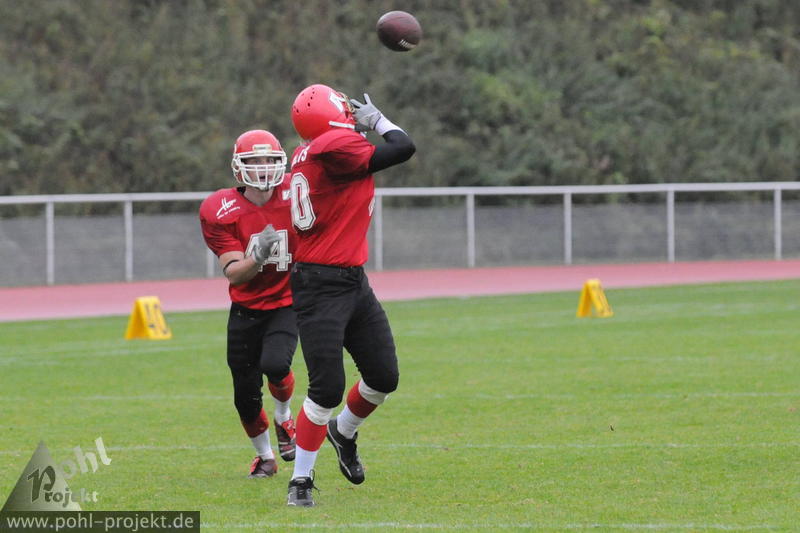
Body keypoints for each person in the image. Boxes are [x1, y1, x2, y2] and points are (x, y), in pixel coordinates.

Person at [284, 84, 416, 506]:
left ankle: (343, 432)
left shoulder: (309, 150)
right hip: (320, 284)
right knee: (326, 388)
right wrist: (378, 121)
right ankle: (300, 480)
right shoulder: (333, 145)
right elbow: (403, 147)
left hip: (351, 279)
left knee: (383, 378)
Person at [199, 129, 299, 478]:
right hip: (246, 307)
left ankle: (284, 417)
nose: (263, 167)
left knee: (276, 363)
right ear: (238, 166)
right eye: (254, 160)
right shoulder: (220, 209)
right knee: (245, 395)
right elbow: (235, 274)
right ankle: (265, 457)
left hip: (287, 301)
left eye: (269, 160)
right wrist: (257, 258)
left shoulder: (297, 191)